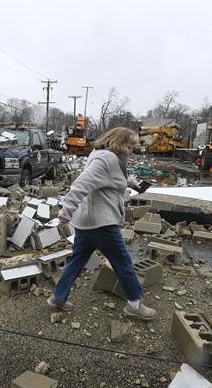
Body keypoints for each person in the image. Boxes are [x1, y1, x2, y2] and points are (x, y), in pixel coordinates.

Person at [47, 127, 157, 321]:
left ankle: (58, 297)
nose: (132, 150)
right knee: (123, 262)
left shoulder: (104, 155)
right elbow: (82, 184)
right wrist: (65, 211)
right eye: (130, 146)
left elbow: (115, 177)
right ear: (119, 142)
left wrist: (133, 184)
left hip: (87, 222)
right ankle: (134, 304)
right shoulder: (106, 159)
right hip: (101, 223)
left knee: (77, 261)